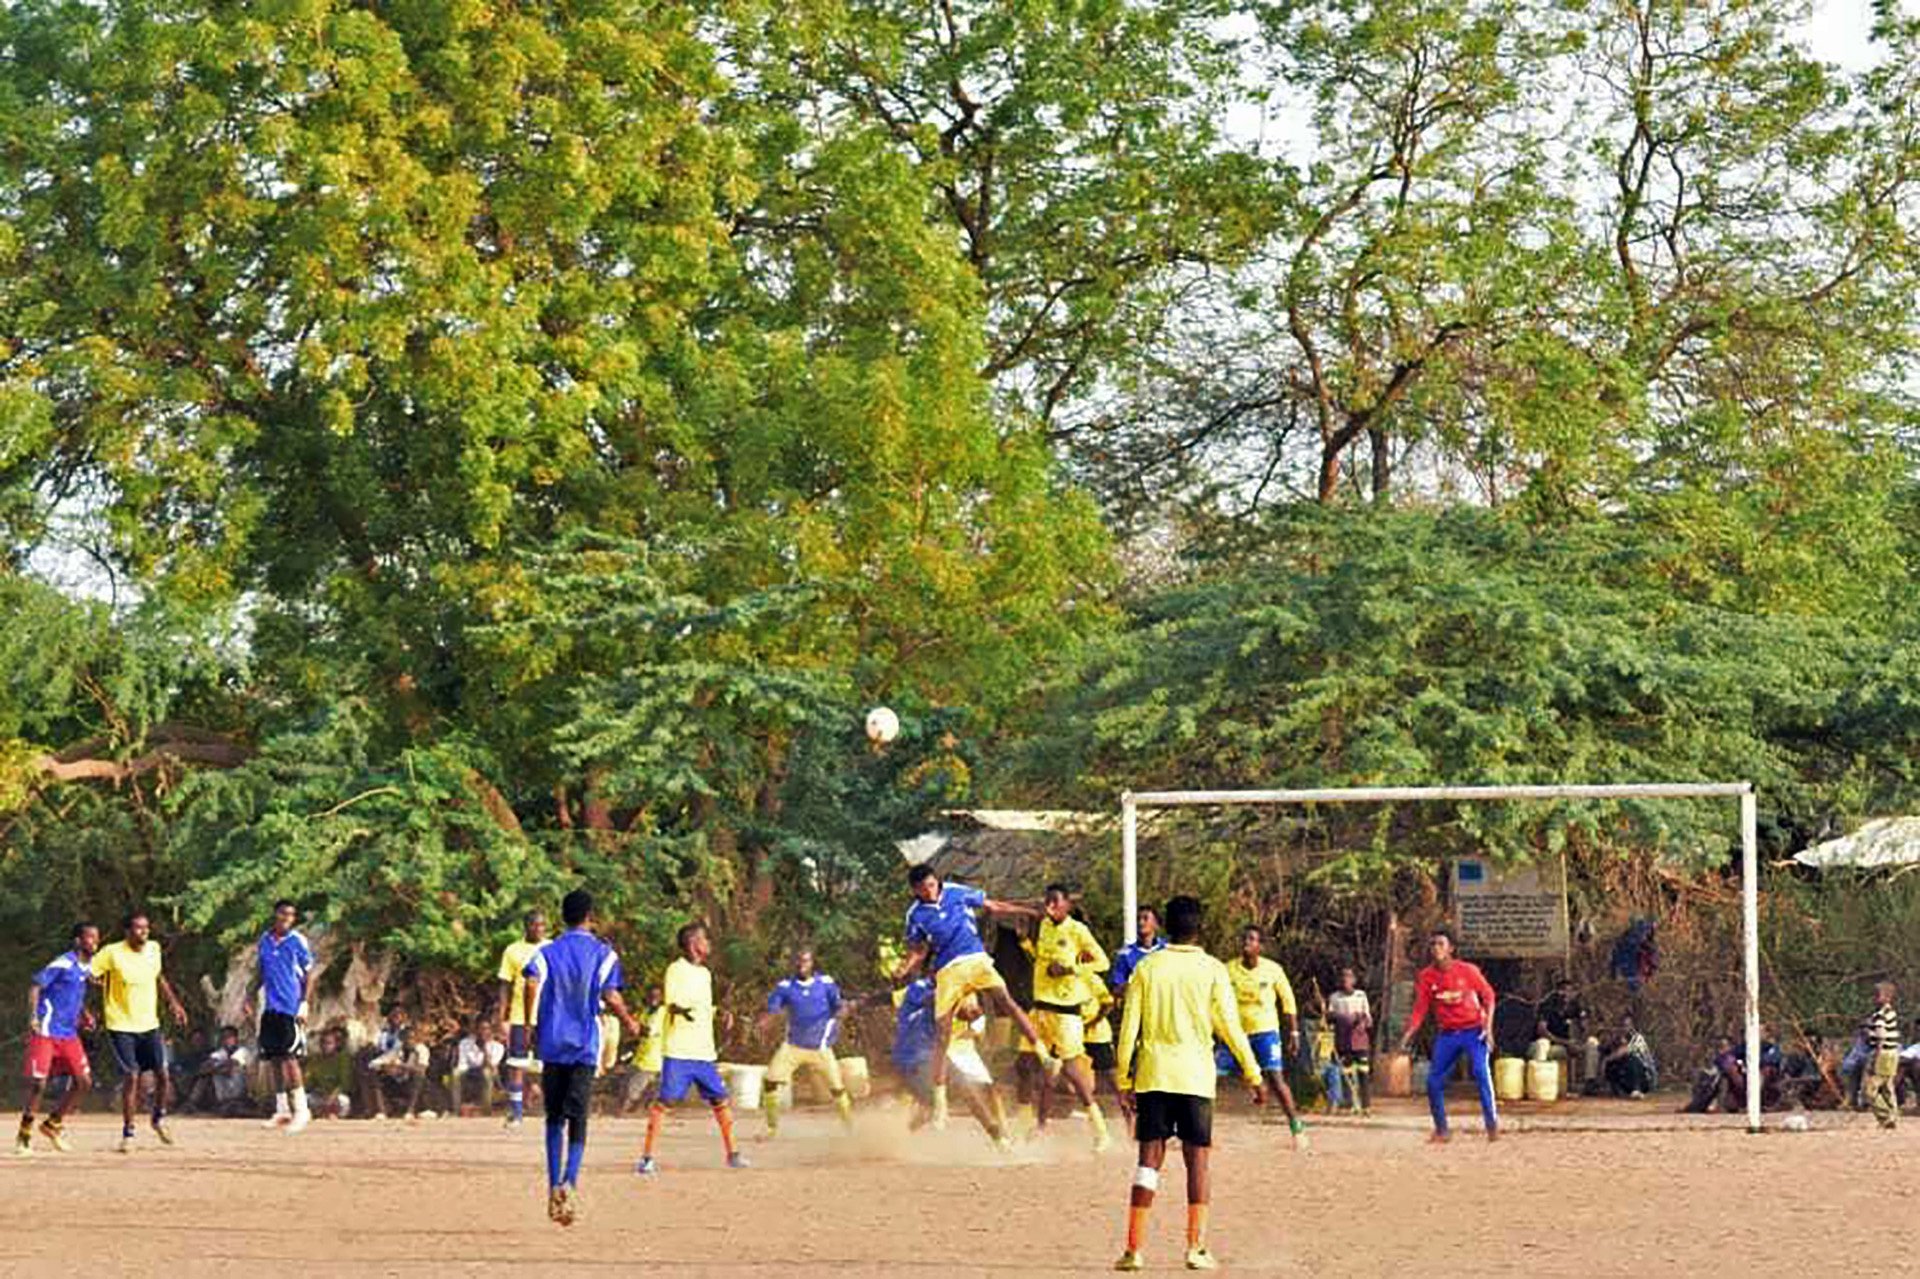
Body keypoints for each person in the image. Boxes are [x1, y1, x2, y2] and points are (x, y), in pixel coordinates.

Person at [1114, 895, 1264, 1273]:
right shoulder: (1213, 969)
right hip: (1196, 1077)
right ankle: (1195, 1248)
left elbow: (1129, 1027)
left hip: (1153, 1075)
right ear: (1200, 929)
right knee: (1198, 1161)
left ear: (1165, 926)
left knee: (1148, 1161)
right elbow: (1230, 1026)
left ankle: (1134, 1249)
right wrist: (1253, 1073)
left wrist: (1122, 1076)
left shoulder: (1147, 968)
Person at [893, 863, 1043, 1130]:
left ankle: (1002, 1134)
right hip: (941, 1049)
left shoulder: (955, 893)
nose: (929, 892)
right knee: (966, 1093)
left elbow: (993, 905)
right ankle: (937, 1116)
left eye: (931, 885)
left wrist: (1028, 911)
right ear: (914, 890)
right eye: (922, 889)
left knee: (987, 1089)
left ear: (936, 881)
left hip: (963, 1046)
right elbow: (918, 950)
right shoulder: (917, 922)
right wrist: (906, 965)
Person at [521, 888, 638, 1226]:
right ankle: (570, 1182)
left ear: (563, 917)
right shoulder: (604, 954)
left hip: (552, 1043)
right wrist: (629, 1020)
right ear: (590, 916)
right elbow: (611, 994)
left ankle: (552, 1184)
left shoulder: (548, 951)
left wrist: (530, 1023)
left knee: (554, 1118)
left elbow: (530, 982)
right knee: (579, 1118)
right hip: (584, 1046)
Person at [638, 922, 747, 1174]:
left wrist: (719, 1014)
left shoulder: (705, 974)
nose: (708, 943)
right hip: (679, 1050)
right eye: (704, 939)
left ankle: (733, 1153)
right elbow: (672, 1002)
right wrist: (680, 1010)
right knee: (665, 1101)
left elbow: (704, 1007)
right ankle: (647, 1157)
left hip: (704, 1052)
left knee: (720, 1099)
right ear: (693, 943)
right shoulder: (675, 970)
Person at [1021, 885, 1113, 1151]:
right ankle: (1033, 1127)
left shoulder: (1077, 931)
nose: (1049, 905)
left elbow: (1103, 962)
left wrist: (1070, 968)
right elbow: (1041, 960)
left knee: (1072, 1071)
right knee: (1024, 1065)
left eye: (1054, 901)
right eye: (1046, 900)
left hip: (1065, 1012)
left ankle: (1101, 1131)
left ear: (1066, 905)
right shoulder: (1044, 926)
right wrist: (1025, 940)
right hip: (1041, 1008)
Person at [92, 910, 189, 1152]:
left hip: (149, 1023)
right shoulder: (111, 952)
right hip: (120, 1024)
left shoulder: (154, 949)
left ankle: (158, 1118)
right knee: (132, 1075)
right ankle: (129, 1133)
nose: (143, 932)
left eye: (146, 927)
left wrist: (174, 1003)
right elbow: (88, 974)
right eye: (138, 928)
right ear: (127, 931)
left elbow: (159, 977)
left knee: (162, 1074)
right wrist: (97, 998)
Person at [1397, 927, 1498, 1144]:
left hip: (1473, 1030)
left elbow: (1489, 996)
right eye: (1433, 944)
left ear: (1451, 949)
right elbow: (1420, 1009)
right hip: (1448, 1034)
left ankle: (1492, 1126)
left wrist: (1488, 1028)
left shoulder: (1468, 971)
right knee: (1433, 1082)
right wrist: (1408, 1033)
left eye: (1441, 944)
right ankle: (1442, 1130)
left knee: (1481, 1073)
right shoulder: (1426, 976)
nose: (1436, 948)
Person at [16, 922, 99, 1156]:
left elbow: (73, 993)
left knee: (84, 1082)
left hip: (69, 1033)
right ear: (78, 941)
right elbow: (35, 986)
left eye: (96, 937)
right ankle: (24, 1134)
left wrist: (85, 1014)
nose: (95, 941)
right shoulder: (63, 962)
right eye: (90, 937)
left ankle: (53, 1124)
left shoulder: (86, 967)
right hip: (46, 1029)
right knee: (38, 1084)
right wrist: (32, 1017)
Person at [1222, 925, 1307, 1149]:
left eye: (1251, 939)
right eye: (1244, 938)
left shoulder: (1273, 970)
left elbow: (1288, 1002)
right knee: (1208, 1076)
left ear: (1260, 946)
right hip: (1236, 1034)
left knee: (1276, 1080)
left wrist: (1294, 1033)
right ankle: (1195, 1130)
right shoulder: (1227, 969)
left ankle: (1297, 1128)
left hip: (1266, 1033)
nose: (1246, 942)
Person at [758, 948, 853, 1135]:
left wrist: (842, 1011)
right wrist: (767, 1020)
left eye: (806, 961)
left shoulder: (826, 983)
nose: (802, 965)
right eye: (798, 961)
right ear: (792, 963)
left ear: (812, 963)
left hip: (821, 1048)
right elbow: (773, 1009)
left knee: (837, 1089)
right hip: (793, 1046)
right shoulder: (785, 987)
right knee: (769, 1082)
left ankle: (850, 1128)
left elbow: (838, 1005)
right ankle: (771, 1127)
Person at [247, 899, 317, 1133]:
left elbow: (309, 974)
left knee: (289, 1058)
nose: (286, 918)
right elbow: (261, 971)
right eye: (283, 913)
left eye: (291, 915)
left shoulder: (297, 941)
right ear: (275, 914)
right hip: (270, 1008)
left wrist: (304, 1004)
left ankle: (302, 1110)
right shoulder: (265, 940)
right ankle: (282, 1109)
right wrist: (249, 996)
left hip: (290, 1007)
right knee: (274, 1058)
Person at [497, 909, 548, 1127]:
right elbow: (504, 986)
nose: (539, 929)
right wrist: (502, 1017)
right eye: (534, 925)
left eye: (542, 925)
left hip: (547, 1015)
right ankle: (516, 1113)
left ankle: (550, 1110)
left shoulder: (552, 948)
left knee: (549, 1065)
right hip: (519, 1015)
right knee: (516, 1065)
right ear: (526, 927)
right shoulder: (513, 950)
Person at [1325, 966, 1373, 1115]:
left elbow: (1368, 1018)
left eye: (1349, 976)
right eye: (1343, 976)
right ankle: (1351, 1105)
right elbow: (1329, 1018)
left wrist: (1361, 1020)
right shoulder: (1334, 997)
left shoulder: (1361, 996)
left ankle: (1366, 1106)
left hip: (1360, 1041)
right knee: (1347, 1075)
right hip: (1343, 1042)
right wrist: (1339, 1017)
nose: (1346, 979)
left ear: (1354, 980)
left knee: (1363, 1073)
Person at [184, 1025, 255, 1116]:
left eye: (229, 1037)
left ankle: (192, 1102)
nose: (226, 1040)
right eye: (224, 1037)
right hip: (223, 1099)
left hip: (239, 1095)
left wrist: (216, 1068)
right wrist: (217, 1068)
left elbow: (231, 1064)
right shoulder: (220, 1052)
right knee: (206, 1075)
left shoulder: (243, 1051)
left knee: (230, 1070)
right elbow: (205, 1067)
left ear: (236, 1039)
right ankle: (192, 1102)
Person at [367, 1025, 430, 1119]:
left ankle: (410, 1111)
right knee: (375, 1075)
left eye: (411, 1038)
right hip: (398, 1082)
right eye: (405, 1038)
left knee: (418, 1076)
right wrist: (385, 1067)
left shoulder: (421, 1049)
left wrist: (401, 1067)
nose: (409, 1041)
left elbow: (422, 1069)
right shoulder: (397, 1050)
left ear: (416, 1038)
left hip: (414, 1084)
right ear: (401, 1039)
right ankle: (381, 1112)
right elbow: (372, 1064)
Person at [622, 986, 665, 1115]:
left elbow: (648, 1031)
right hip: (640, 1056)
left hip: (653, 1058)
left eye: (656, 996)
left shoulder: (662, 1013)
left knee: (634, 1088)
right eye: (651, 996)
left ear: (661, 998)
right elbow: (636, 1030)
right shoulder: (645, 1011)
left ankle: (625, 1111)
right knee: (628, 1083)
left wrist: (633, 1025)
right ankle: (637, 1109)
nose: (653, 999)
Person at [1537, 978, 1588, 1086]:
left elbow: (1585, 1027)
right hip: (1549, 1046)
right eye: (1563, 991)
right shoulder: (1548, 1005)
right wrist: (1566, 1042)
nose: (1566, 994)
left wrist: (1580, 1038)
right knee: (1542, 1045)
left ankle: (1590, 1083)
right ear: (1557, 992)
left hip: (1566, 1046)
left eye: (1570, 991)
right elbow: (1542, 1031)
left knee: (1593, 1044)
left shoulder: (1575, 1006)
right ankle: (1540, 1085)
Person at [1864, 981, 1900, 1130]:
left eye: (1877, 995)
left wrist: (1875, 1059)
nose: (1874, 998)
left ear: (1886, 997)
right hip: (1893, 1053)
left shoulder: (1879, 1015)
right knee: (1887, 1087)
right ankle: (1892, 1116)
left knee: (1870, 1089)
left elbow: (1881, 1037)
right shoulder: (1890, 1012)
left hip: (1883, 1054)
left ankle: (1885, 1116)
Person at [1110, 906, 1168, 994]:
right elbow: (1117, 987)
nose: (1140, 923)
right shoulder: (1125, 954)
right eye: (1138, 919)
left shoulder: (1167, 949)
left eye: (1145, 918)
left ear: (1156, 924)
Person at [455, 1020, 505, 1116]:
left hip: (488, 1070)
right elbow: (462, 1063)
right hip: (470, 1070)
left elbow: (492, 1066)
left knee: (486, 1073)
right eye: (480, 1029)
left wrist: (484, 1048)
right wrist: (463, 1071)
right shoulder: (465, 1043)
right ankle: (456, 1109)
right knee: (456, 1074)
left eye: (486, 1029)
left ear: (491, 1031)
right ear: (475, 1030)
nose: (483, 1032)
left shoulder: (498, 1047)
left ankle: (487, 1109)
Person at [1601, 1014, 1657, 1099]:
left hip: (1644, 1077)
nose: (1623, 1029)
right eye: (1621, 1026)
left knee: (1631, 1058)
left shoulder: (1637, 1038)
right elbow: (1605, 1050)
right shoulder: (1617, 1039)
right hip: (1627, 1075)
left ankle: (1636, 1089)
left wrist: (1606, 1060)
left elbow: (1623, 1051)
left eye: (1626, 1026)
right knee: (1613, 1065)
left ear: (1631, 1026)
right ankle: (1617, 1089)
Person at [304, 1027, 355, 1118]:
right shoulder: (315, 1059)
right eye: (323, 1043)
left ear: (336, 1044)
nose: (325, 1046)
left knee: (344, 1101)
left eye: (329, 1043)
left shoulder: (343, 1059)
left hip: (336, 1097)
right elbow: (308, 1082)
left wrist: (332, 1096)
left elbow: (344, 1084)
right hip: (320, 1096)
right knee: (305, 1098)